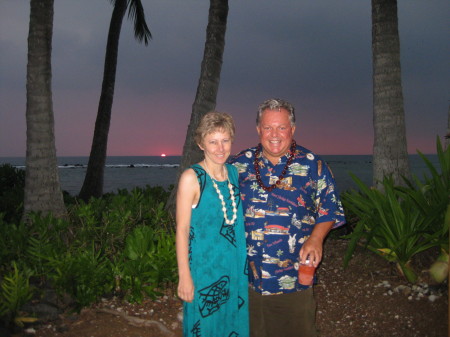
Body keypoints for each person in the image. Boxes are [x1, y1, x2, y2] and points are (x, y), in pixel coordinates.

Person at [230, 98, 346, 337]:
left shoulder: (313, 164)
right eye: (268, 127)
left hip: (293, 275)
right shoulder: (239, 164)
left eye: (281, 127)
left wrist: (316, 238)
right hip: (247, 277)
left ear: (292, 130)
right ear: (258, 129)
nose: (274, 134)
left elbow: (330, 208)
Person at [176, 111, 249, 337]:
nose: (220, 148)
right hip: (204, 270)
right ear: (201, 144)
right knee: (205, 328)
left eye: (225, 140)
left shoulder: (234, 174)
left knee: (233, 324)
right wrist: (184, 276)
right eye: (213, 142)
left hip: (235, 267)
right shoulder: (192, 178)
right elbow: (182, 229)